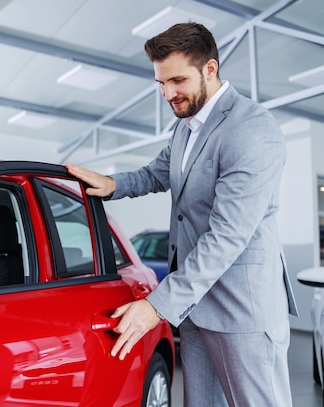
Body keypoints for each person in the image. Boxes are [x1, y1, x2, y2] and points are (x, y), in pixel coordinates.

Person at [66, 22, 298, 407]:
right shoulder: (186, 128)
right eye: (160, 83)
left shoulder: (252, 130)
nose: (168, 93)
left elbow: (227, 236)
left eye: (177, 80)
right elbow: (158, 173)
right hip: (196, 306)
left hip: (243, 310)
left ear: (210, 69)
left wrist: (157, 304)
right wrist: (110, 183)